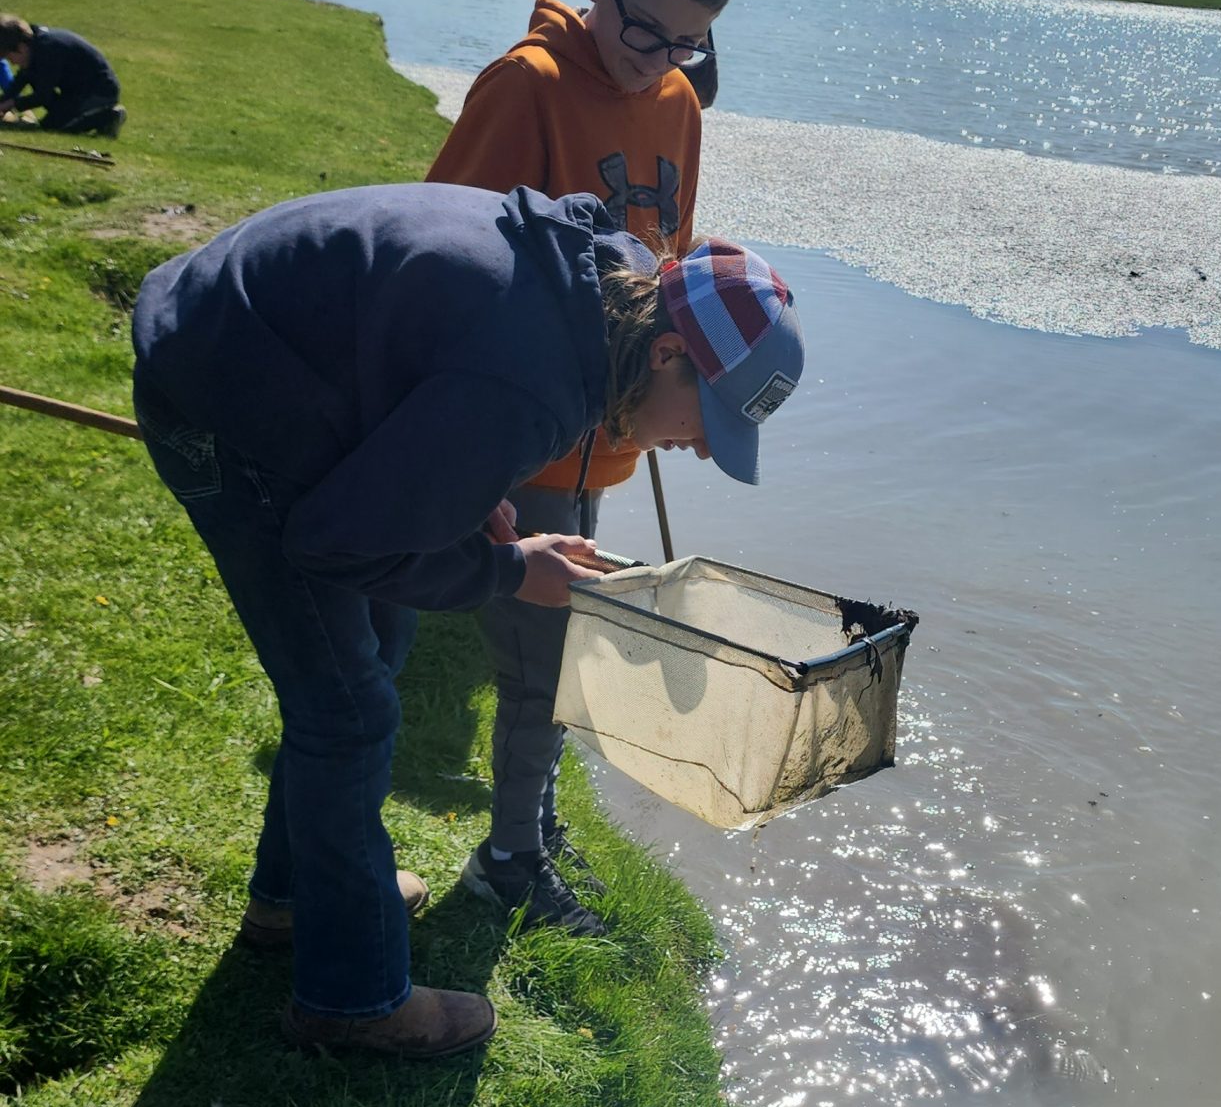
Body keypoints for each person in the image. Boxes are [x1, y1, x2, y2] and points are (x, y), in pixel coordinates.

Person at [130, 181, 803, 1061]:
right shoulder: (532, 385)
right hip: (215, 386)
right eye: (709, 418)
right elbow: (332, 544)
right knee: (346, 712)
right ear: (670, 350)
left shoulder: (601, 293)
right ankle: (350, 1000)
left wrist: (470, 493)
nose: (704, 446)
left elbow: (434, 380)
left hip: (266, 342)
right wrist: (510, 572)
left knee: (384, 636)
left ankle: (292, 902)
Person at [426, 0, 738, 937]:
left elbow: (667, 266)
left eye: (687, 42)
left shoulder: (679, 101)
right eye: (644, 29)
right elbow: (441, 262)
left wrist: (684, 403)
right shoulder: (526, 89)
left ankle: (537, 823)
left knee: (564, 648)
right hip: (524, 432)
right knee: (539, 660)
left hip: (605, 434)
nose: (658, 58)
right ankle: (509, 860)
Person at [0, 14, 126, 136]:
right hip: (75, 93)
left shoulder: (48, 49)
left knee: (57, 128)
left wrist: (11, 104)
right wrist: (4, 101)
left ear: (21, 48)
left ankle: (108, 115)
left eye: (10, 58)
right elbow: (21, 80)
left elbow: (42, 96)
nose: (13, 63)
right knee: (49, 124)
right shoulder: (34, 43)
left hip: (99, 92)